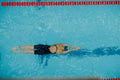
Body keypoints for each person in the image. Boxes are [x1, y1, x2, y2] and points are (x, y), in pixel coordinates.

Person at [12, 43, 80, 55]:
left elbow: (67, 47)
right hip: (44, 49)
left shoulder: (60, 45)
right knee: (31, 49)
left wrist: (74, 48)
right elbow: (68, 49)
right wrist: (74, 48)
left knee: (31, 49)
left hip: (44, 49)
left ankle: (18, 49)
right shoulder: (61, 50)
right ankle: (18, 49)